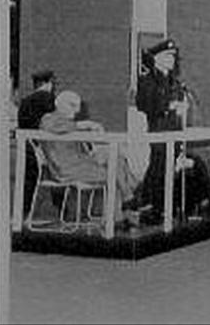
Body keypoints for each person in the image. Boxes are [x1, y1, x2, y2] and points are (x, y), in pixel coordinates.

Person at [135, 38, 210, 223]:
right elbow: (145, 104)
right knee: (160, 167)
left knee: (188, 165)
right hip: (160, 133)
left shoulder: (175, 83)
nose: (172, 60)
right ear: (157, 58)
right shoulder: (148, 81)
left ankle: (194, 203)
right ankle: (152, 207)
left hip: (177, 133)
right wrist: (170, 105)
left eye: (173, 57)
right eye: (168, 56)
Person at [39, 90, 140, 227]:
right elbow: (49, 126)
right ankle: (123, 207)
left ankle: (127, 199)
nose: (76, 111)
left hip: (82, 162)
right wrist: (84, 124)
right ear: (59, 104)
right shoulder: (49, 118)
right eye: (72, 105)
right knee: (113, 174)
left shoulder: (68, 123)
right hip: (67, 169)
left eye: (77, 106)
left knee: (114, 155)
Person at [17, 69, 60, 215]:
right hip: (46, 148)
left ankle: (24, 212)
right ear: (48, 83)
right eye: (53, 83)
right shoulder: (48, 99)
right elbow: (55, 123)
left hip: (29, 149)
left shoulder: (24, 102)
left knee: (29, 183)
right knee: (59, 173)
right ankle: (62, 210)